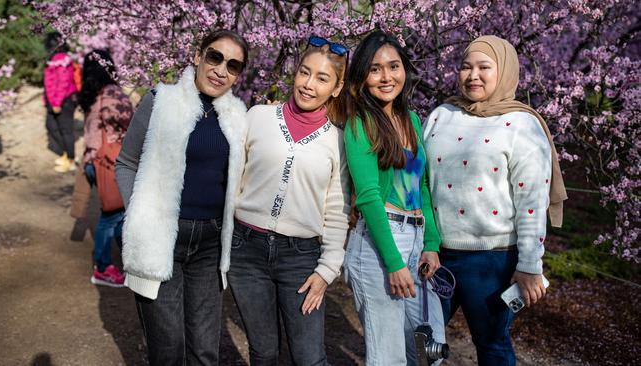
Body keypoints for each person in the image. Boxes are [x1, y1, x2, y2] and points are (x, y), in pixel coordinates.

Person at [422, 35, 568, 366]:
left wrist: (530, 264)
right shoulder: (441, 115)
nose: (473, 75)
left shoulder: (521, 124)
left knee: (491, 344)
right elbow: (421, 179)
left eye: (484, 67)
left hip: (491, 260)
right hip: (435, 252)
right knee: (422, 340)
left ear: (503, 71)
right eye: (465, 67)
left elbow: (531, 201)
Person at [115, 30, 249, 365]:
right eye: (215, 57)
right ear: (198, 56)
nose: (221, 70)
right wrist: (140, 214)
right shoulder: (160, 100)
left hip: (209, 243)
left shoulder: (239, 117)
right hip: (161, 238)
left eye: (233, 66)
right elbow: (126, 162)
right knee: (168, 347)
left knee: (205, 349)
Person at [227, 36, 350, 365]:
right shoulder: (257, 117)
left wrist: (327, 270)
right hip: (246, 252)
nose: (309, 85)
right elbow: (232, 183)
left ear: (336, 88)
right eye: (304, 73)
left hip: (300, 259)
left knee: (309, 357)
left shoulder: (337, 141)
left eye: (322, 78)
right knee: (264, 353)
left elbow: (337, 213)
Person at [342, 30, 446, 366]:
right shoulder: (360, 124)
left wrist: (430, 242)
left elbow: (423, 186)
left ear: (405, 70)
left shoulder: (412, 120)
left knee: (432, 349)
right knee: (389, 357)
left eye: (393, 66)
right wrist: (394, 262)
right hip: (379, 243)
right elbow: (369, 197)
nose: (386, 77)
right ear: (362, 77)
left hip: (416, 239)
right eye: (375, 69)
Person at [78, 49, 133, 287]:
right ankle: (102, 267)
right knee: (111, 217)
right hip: (108, 165)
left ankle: (126, 260)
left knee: (118, 215)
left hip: (92, 163)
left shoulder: (91, 95)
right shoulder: (113, 94)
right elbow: (132, 123)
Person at [43, 31, 79, 173]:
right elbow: (49, 83)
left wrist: (56, 103)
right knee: (51, 126)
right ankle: (65, 154)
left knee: (66, 130)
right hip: (53, 102)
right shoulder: (54, 58)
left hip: (64, 102)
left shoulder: (63, 59)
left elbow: (63, 83)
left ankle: (70, 160)